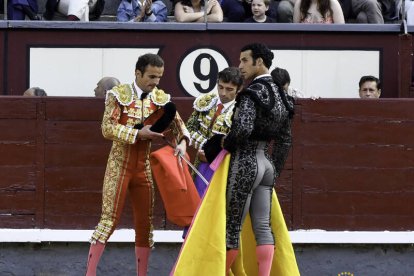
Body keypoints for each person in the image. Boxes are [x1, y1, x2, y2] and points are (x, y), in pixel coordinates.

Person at [172, 43, 298, 276]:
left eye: (244, 61)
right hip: (267, 164)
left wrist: (220, 144)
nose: (240, 66)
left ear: (259, 62)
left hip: (245, 162)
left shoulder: (251, 93)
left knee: (231, 228)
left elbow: (241, 130)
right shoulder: (282, 94)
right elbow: (285, 140)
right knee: (262, 227)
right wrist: (275, 171)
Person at [85, 53, 190, 276]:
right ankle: (90, 274)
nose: (155, 82)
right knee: (108, 221)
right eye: (151, 76)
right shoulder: (118, 95)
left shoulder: (160, 98)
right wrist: (137, 132)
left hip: (142, 168)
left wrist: (182, 144)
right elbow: (107, 128)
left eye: (159, 77)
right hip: (119, 165)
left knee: (145, 224)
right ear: (138, 73)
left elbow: (179, 125)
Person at [186, 67, 243, 197]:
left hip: (224, 167)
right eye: (221, 87)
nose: (223, 93)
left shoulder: (241, 111)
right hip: (200, 162)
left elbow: (238, 144)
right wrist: (205, 148)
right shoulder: (206, 101)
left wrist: (211, 152)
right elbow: (188, 128)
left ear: (238, 90)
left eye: (229, 89)